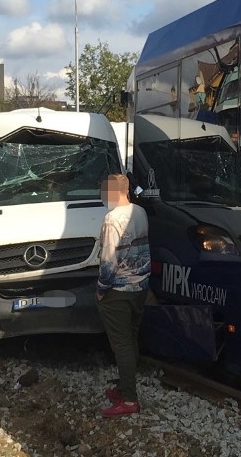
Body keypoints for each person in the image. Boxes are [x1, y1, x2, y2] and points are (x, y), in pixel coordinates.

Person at [96, 173, 151, 418]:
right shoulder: (140, 212)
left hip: (118, 290)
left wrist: (100, 289)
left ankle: (129, 400)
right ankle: (124, 385)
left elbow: (108, 261)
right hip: (141, 285)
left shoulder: (111, 220)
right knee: (131, 336)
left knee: (121, 345)